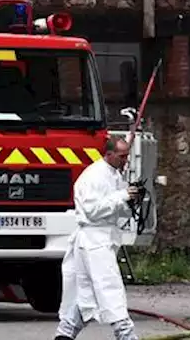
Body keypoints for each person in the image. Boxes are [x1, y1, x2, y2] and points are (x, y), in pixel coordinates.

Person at [55, 135, 142, 340]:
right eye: (122, 156)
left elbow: (115, 209)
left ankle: (65, 333)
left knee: (87, 293)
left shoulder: (114, 175)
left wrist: (131, 201)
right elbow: (92, 210)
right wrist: (123, 197)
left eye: (127, 156)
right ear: (109, 154)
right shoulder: (94, 176)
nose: (126, 160)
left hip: (102, 239)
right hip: (94, 241)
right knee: (110, 287)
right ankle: (126, 334)